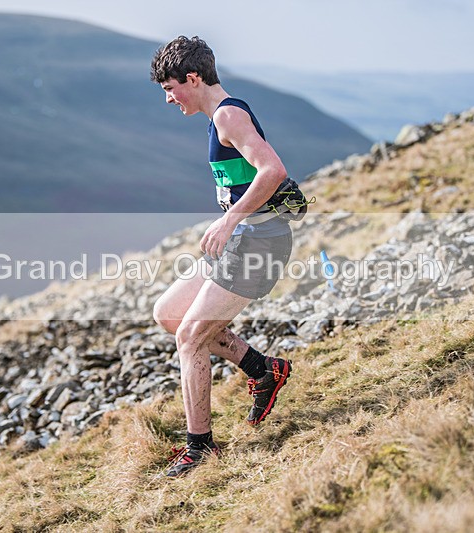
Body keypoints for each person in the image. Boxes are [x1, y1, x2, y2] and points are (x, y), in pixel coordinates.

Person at [150, 36, 296, 477]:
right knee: (169, 314)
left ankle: (200, 448)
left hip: (259, 242)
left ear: (193, 78)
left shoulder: (229, 115)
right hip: (241, 240)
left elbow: (274, 170)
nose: (170, 99)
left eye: (171, 88)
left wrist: (230, 219)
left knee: (190, 337)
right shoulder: (218, 118)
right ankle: (263, 370)